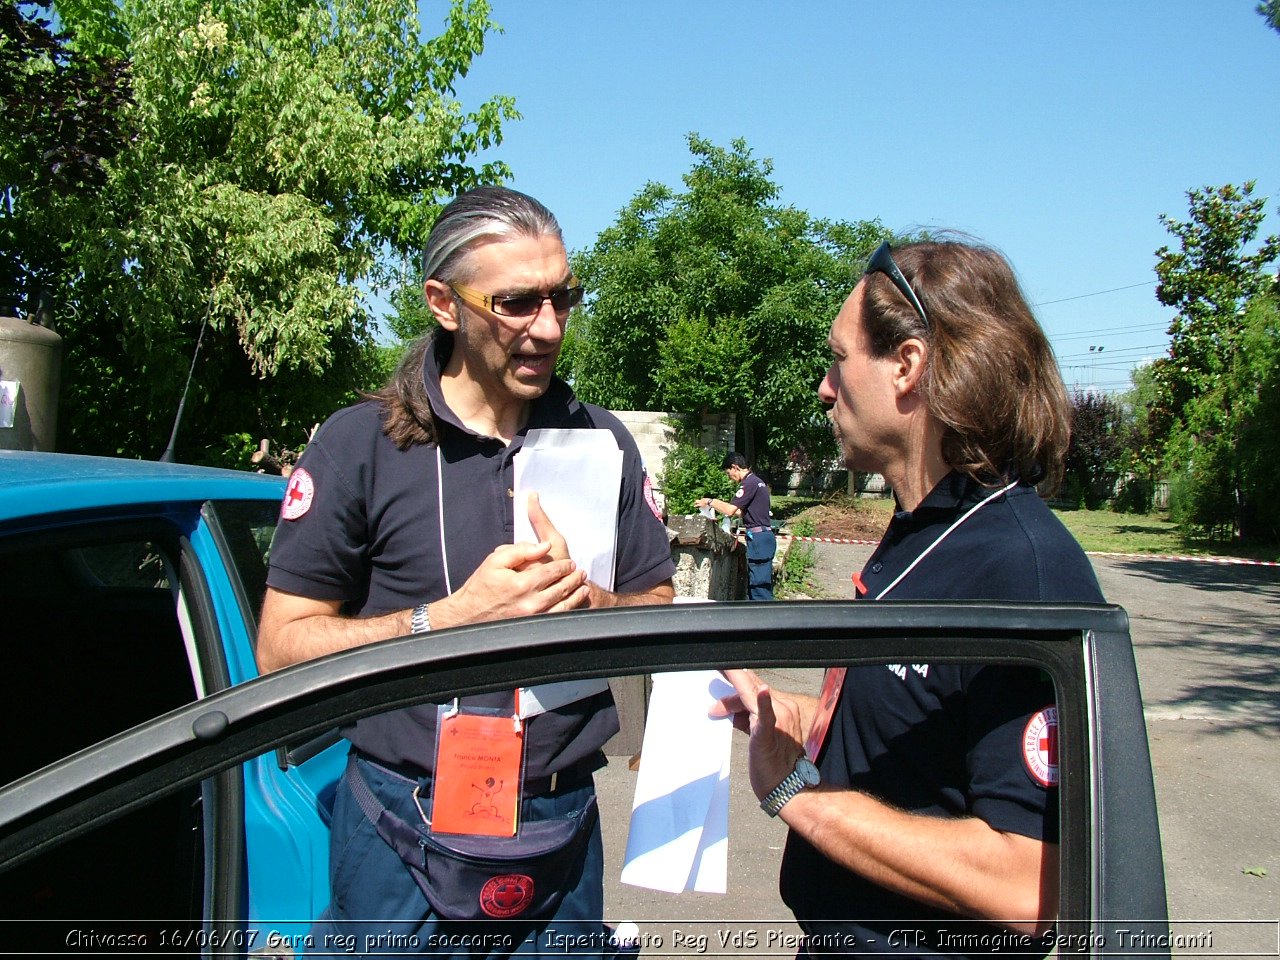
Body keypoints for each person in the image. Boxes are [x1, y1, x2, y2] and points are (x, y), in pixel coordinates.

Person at [257, 186, 676, 956]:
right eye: (517, 303)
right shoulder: (362, 445)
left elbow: (659, 605)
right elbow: (280, 649)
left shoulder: (602, 441)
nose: (548, 329)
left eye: (564, 298)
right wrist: (444, 619)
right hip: (397, 825)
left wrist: (595, 606)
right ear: (444, 304)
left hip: (559, 826)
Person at [717, 238, 1104, 957]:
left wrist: (796, 794)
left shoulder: (1019, 569)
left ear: (907, 365)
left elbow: (1029, 885)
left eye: (838, 360)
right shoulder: (922, 532)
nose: (825, 388)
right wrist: (796, 721)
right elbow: (928, 734)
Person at [696, 452, 775, 600]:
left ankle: (765, 619)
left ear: (735, 467)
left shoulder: (749, 483)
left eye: (728, 473)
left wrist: (710, 501)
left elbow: (730, 510)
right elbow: (740, 511)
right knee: (759, 584)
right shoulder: (757, 482)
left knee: (758, 588)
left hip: (759, 539)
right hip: (763, 537)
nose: (729, 478)